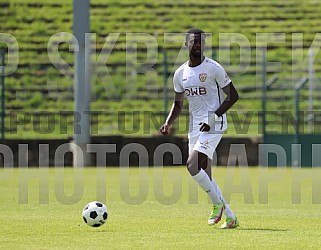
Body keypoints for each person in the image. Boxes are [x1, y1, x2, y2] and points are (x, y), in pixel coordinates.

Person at [160, 28, 239, 229]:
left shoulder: (213, 68)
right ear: (186, 44)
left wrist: (213, 118)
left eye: (201, 42)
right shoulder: (180, 74)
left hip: (214, 123)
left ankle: (216, 205)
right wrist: (169, 122)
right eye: (194, 42)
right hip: (195, 127)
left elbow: (233, 96)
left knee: (192, 165)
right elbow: (178, 104)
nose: (198, 45)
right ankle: (230, 217)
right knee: (204, 172)